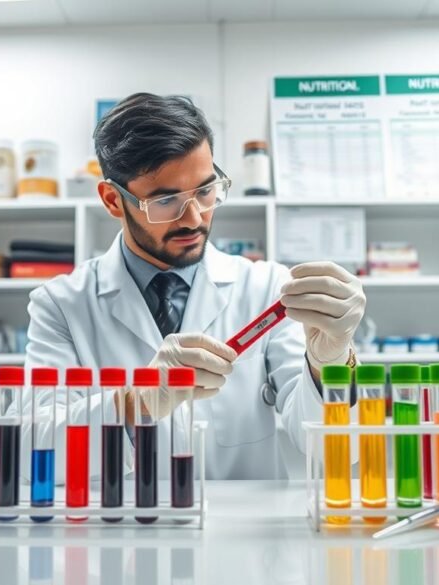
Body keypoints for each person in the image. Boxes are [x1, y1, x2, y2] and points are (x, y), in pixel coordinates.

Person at [24, 93, 367, 481]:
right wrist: (135, 402)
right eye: (166, 200)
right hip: (121, 532)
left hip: (241, 535)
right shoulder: (61, 305)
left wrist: (332, 362)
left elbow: (338, 449)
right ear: (113, 201)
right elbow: (35, 450)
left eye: (206, 191)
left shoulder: (266, 287)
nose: (194, 218)